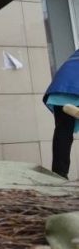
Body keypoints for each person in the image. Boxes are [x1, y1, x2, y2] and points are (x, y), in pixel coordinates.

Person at [43, 49, 79, 179]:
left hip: (61, 88)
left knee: (63, 131)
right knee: (64, 132)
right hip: (74, 88)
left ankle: (59, 174)